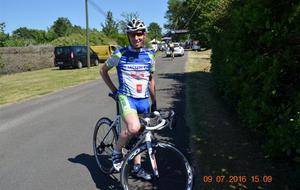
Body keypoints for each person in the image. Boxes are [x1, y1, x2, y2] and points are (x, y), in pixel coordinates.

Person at [100, 18, 156, 180]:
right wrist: (115, 92)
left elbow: (151, 80)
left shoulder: (150, 55)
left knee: (139, 136)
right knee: (133, 128)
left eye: (139, 34)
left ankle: (137, 167)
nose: (136, 37)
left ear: (144, 35)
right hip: (127, 97)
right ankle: (116, 153)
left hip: (144, 100)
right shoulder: (119, 53)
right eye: (132, 34)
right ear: (128, 36)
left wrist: (155, 102)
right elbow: (103, 71)